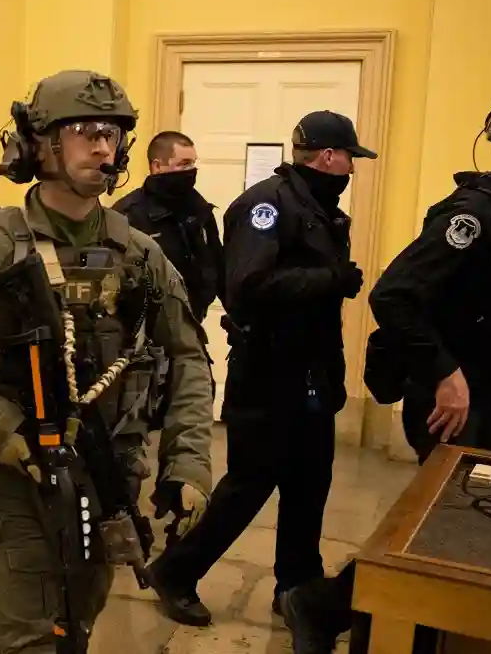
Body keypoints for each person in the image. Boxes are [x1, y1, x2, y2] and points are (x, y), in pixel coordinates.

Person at [0, 70, 216, 653]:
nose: (103, 146)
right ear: (41, 144)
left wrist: (187, 462)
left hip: (109, 476)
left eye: (113, 133)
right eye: (85, 131)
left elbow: (188, 356)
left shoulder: (138, 254)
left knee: (75, 633)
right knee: (28, 643)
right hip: (15, 483)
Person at [277, 79, 491, 654]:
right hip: (449, 393)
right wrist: (446, 375)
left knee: (475, 516)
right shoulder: (472, 216)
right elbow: (394, 296)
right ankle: (334, 608)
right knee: (448, 517)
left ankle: (370, 613)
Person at [145, 111, 376, 628]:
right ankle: (176, 572)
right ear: (329, 156)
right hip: (269, 371)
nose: (352, 171)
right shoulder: (266, 206)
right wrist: (328, 279)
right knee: (250, 482)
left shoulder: (318, 207)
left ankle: (298, 585)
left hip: (311, 369)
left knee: (310, 479)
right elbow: (247, 286)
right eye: (349, 160)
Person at [111, 131, 223, 321]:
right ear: (157, 166)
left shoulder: (199, 209)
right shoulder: (127, 214)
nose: (191, 170)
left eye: (193, 163)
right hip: (144, 330)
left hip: (192, 323)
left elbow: (217, 264)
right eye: (184, 164)